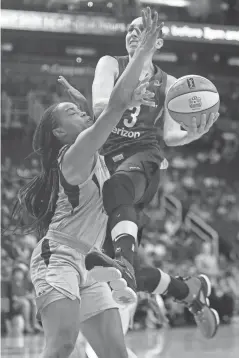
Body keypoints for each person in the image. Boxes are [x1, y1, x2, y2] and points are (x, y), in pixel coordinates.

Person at [61, 7, 219, 339]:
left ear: (157, 41)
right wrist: (126, 95)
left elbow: (170, 135)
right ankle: (187, 290)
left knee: (119, 200)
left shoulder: (171, 83)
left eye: (141, 30)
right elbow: (102, 107)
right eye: (130, 29)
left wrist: (194, 134)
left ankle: (124, 260)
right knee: (98, 267)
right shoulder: (110, 63)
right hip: (106, 160)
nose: (133, 33)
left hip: (144, 158)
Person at [13, 9, 162, 358]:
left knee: (115, 354)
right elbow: (111, 110)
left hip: (92, 262)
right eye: (72, 112)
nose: (81, 112)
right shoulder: (74, 154)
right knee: (62, 344)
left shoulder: (93, 149)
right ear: (59, 132)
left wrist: (83, 101)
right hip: (59, 258)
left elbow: (100, 117)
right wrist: (142, 51)